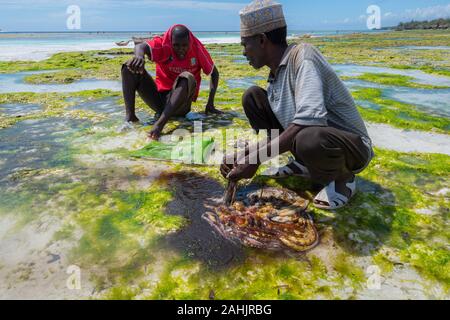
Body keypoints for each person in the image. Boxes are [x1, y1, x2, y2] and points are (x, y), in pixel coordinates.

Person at [221, 0, 374, 210]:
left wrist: (257, 160)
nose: (244, 52)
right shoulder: (275, 75)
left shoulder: (304, 57)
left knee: (308, 137)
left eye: (244, 44)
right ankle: (303, 162)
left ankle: (343, 178)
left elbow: (307, 124)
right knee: (253, 97)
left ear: (262, 40)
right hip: (311, 136)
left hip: (352, 149)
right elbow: (279, 134)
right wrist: (244, 156)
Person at [121, 24, 222, 140]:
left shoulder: (197, 49)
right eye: (176, 45)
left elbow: (214, 73)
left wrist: (210, 104)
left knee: (186, 77)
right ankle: (130, 117)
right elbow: (141, 47)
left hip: (181, 105)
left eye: (185, 45)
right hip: (161, 101)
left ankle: (160, 124)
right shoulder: (164, 44)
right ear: (170, 41)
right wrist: (139, 56)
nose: (181, 49)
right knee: (128, 67)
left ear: (190, 42)